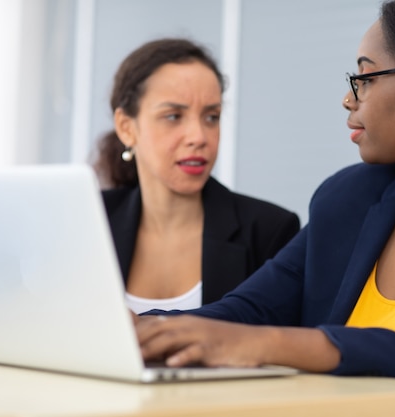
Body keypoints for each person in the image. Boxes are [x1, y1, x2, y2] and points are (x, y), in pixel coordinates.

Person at [133, 1, 395, 415]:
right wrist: (146, 329)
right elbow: (251, 310)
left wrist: (282, 345)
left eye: (364, 78)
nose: (348, 100)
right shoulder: (348, 197)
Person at [92, 38, 300, 313]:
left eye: (211, 117)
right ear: (126, 127)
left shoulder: (269, 231)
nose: (199, 137)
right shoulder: (92, 220)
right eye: (173, 116)